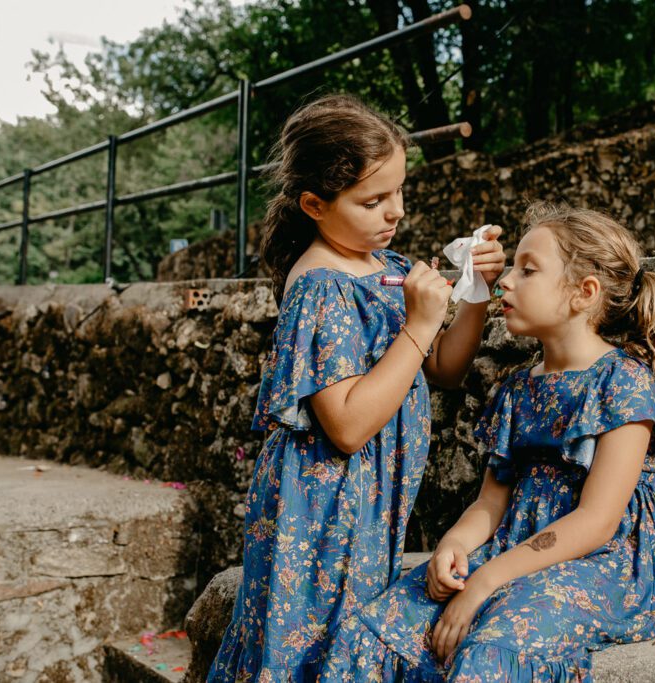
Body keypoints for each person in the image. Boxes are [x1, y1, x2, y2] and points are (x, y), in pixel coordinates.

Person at [320, 203, 655, 682]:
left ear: (583, 293)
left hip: (601, 567)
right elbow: (490, 500)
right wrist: (454, 546)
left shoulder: (623, 384)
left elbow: (596, 522)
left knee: (494, 646)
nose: (505, 280)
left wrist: (485, 580)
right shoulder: (517, 389)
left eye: (527, 271)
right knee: (378, 628)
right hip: (513, 547)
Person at [207, 94, 505, 682]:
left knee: (345, 643)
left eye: (399, 192)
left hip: (368, 503)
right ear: (314, 204)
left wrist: (473, 292)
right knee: (311, 645)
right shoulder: (319, 283)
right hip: (320, 510)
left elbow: (441, 369)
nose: (393, 212)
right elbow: (345, 425)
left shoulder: (385, 264)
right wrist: (420, 323)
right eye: (372, 201)